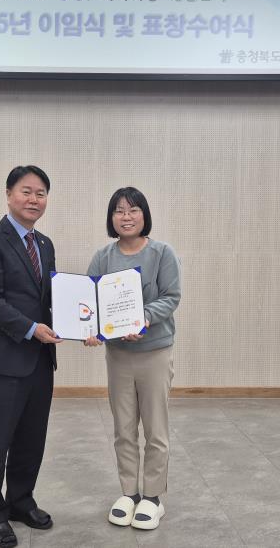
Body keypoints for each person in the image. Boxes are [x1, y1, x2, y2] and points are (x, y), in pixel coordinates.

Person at [0, 165, 62, 548]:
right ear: (9, 194)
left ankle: (21, 501)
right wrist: (31, 328)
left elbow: (52, 298)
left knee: (31, 439)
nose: (33, 199)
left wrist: (83, 321)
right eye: (26, 191)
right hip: (2, 360)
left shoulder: (45, 244)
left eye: (41, 193)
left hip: (39, 360)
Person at [84, 187, 181, 531]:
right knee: (123, 429)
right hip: (119, 356)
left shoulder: (162, 253)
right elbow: (90, 302)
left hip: (154, 353)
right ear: (111, 218)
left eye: (133, 210)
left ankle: (153, 498)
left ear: (144, 215)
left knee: (155, 429)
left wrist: (142, 319)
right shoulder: (103, 257)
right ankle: (129, 493)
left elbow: (171, 296)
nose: (126, 217)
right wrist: (91, 330)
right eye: (119, 211)